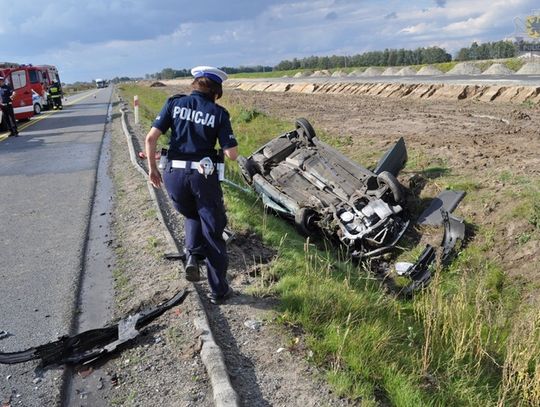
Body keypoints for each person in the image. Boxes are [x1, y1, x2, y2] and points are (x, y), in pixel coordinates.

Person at [145, 66, 238, 305]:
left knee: (191, 214)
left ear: (194, 84)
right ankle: (219, 291)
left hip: (173, 175)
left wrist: (152, 169)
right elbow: (232, 154)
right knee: (213, 231)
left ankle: (192, 256)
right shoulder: (218, 113)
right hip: (202, 176)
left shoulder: (174, 103)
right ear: (216, 91)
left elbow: (150, 138)